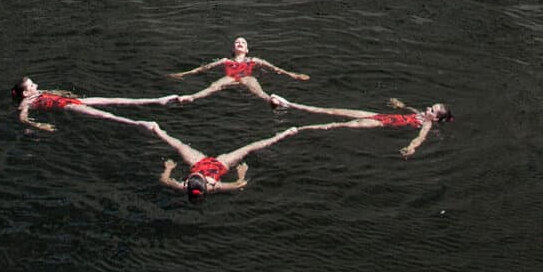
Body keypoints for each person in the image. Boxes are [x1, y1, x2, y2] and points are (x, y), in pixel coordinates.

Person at [83, 108, 352, 200]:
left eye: (192, 178)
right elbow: (239, 184)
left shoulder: (186, 184)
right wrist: (242, 171)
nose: (193, 178)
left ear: (190, 182)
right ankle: (284, 134)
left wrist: (168, 168)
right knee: (249, 147)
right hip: (220, 166)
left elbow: (165, 181)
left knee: (177, 145)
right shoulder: (213, 186)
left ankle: (156, 129)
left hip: (202, 162)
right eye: (195, 178)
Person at [267, 92, 451, 157]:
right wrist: (399, 105)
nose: (428, 108)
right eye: (431, 106)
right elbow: (409, 110)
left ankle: (298, 129)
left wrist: (411, 148)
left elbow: (420, 138)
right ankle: (289, 104)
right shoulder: (420, 114)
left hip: (378, 124)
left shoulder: (426, 125)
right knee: (333, 111)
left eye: (432, 110)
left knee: (336, 125)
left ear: (435, 119)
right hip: (380, 115)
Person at [167, 34, 311, 106]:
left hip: (246, 77)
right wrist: (185, 74)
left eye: (243, 42)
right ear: (233, 48)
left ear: (247, 49)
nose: (240, 43)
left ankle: (270, 100)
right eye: (237, 42)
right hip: (230, 78)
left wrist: (293, 75)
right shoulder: (226, 61)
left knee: (254, 85)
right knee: (214, 85)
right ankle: (192, 97)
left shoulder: (254, 60)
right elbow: (203, 68)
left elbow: (275, 69)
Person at [10, 75, 178, 133]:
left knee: (113, 100)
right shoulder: (25, 104)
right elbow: (23, 119)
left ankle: (156, 100)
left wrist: (68, 94)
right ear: (25, 93)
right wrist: (41, 126)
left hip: (74, 101)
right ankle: (140, 123)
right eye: (32, 85)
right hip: (68, 106)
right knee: (104, 114)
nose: (36, 86)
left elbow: (55, 93)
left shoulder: (37, 94)